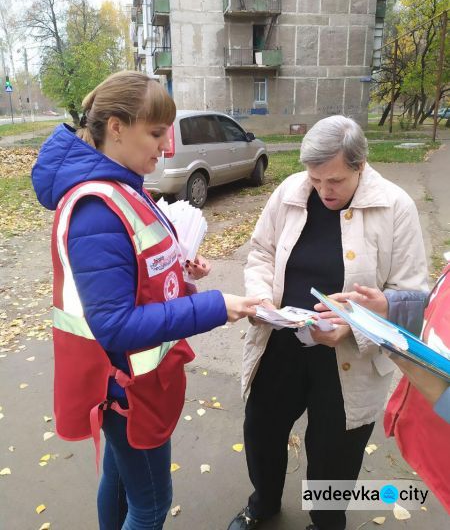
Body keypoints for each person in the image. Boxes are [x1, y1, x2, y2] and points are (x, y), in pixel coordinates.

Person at [31, 71, 260, 530]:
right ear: (116, 127)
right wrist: (215, 306)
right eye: (155, 133)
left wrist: (179, 268)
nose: (165, 145)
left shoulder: (125, 186)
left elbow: (137, 273)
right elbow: (114, 324)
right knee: (151, 505)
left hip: (134, 382)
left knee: (120, 483)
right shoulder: (97, 206)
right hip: (126, 387)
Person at [227, 115, 428, 530]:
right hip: (281, 342)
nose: (324, 191)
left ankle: (325, 520)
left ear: (360, 165)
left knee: (335, 451)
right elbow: (262, 252)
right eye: (315, 179)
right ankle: (262, 504)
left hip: (348, 358)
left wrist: (354, 326)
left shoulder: (395, 206)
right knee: (261, 431)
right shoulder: (289, 192)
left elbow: (412, 295)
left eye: (334, 180)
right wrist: (262, 296)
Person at [314, 268, 450, 513]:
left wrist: (432, 385)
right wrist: (389, 307)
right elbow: (435, 303)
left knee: (336, 457)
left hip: (438, 437)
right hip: (436, 445)